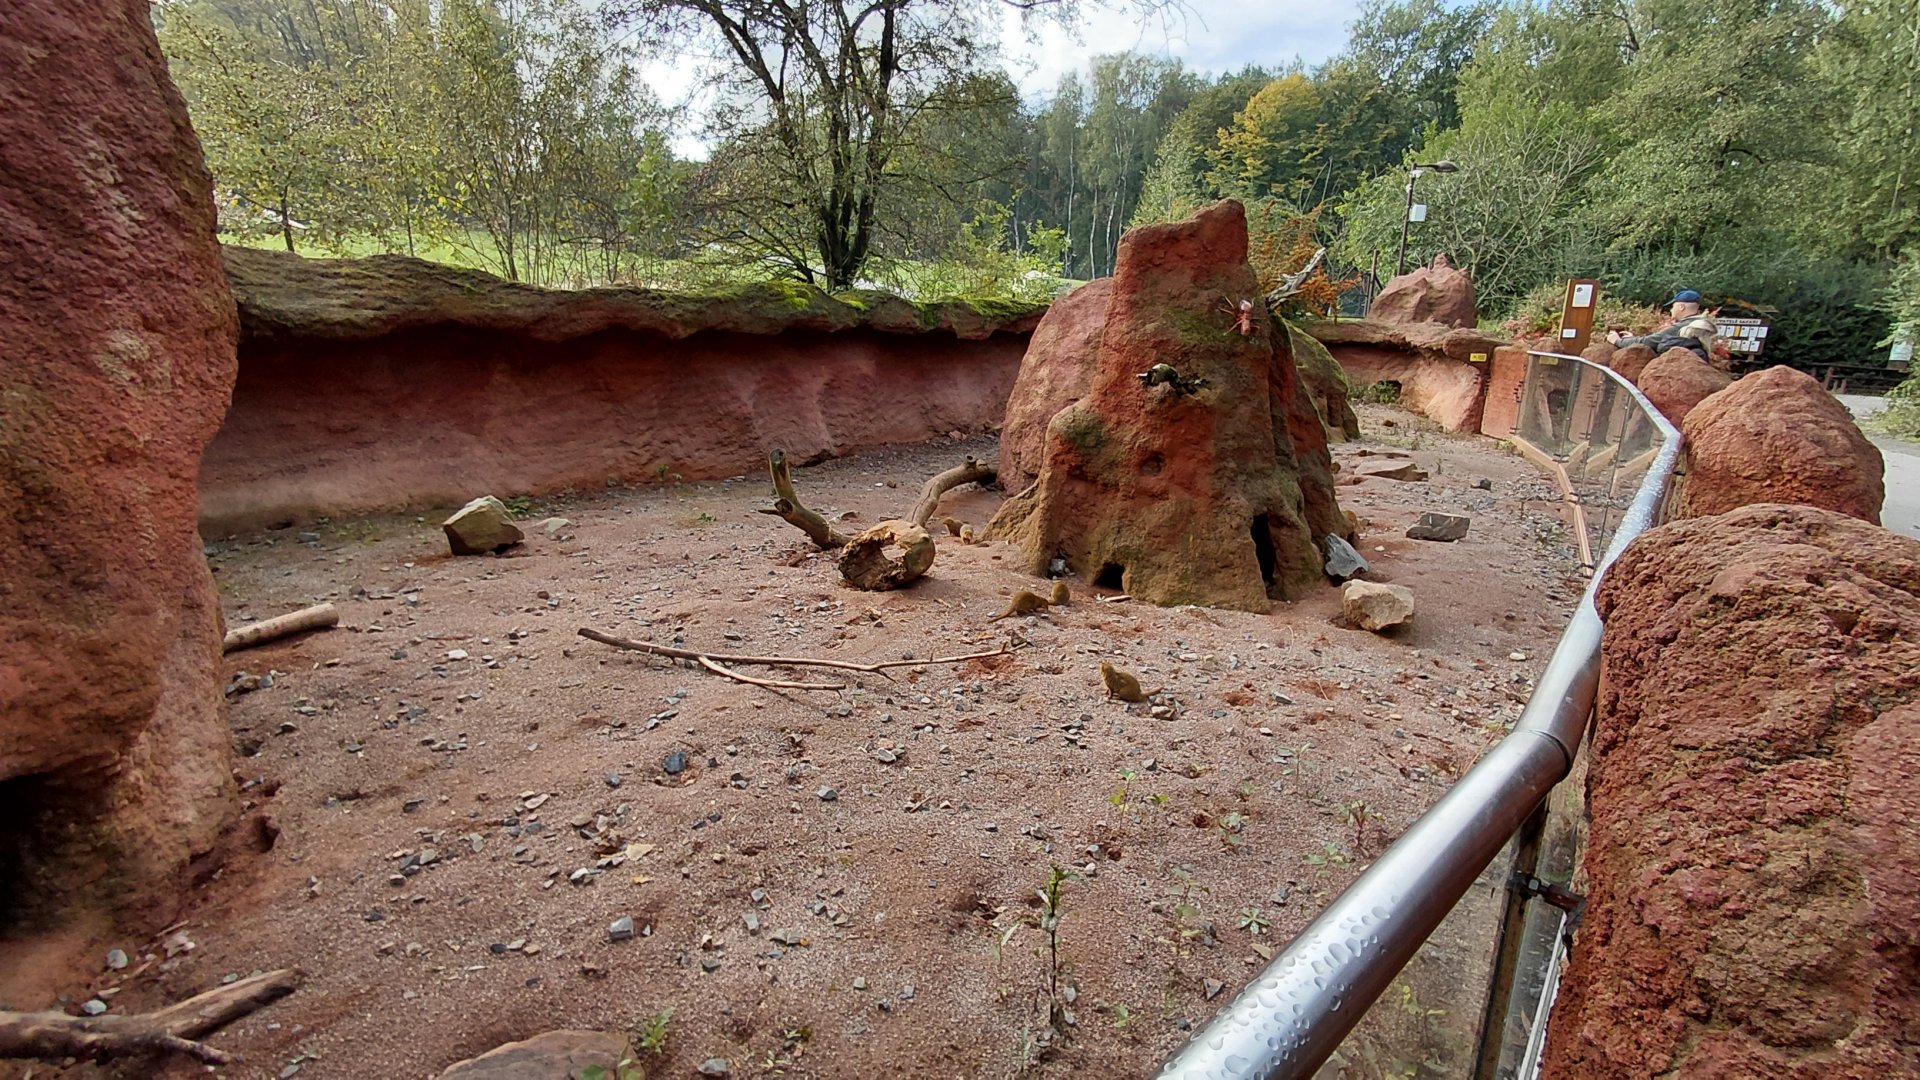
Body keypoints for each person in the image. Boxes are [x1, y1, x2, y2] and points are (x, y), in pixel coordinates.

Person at [1608, 289, 1719, 358]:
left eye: (1672, 306)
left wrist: (1617, 341)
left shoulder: (1684, 326)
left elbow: (1650, 341)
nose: (1671, 310)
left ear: (1681, 307)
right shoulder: (1699, 323)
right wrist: (1632, 339)